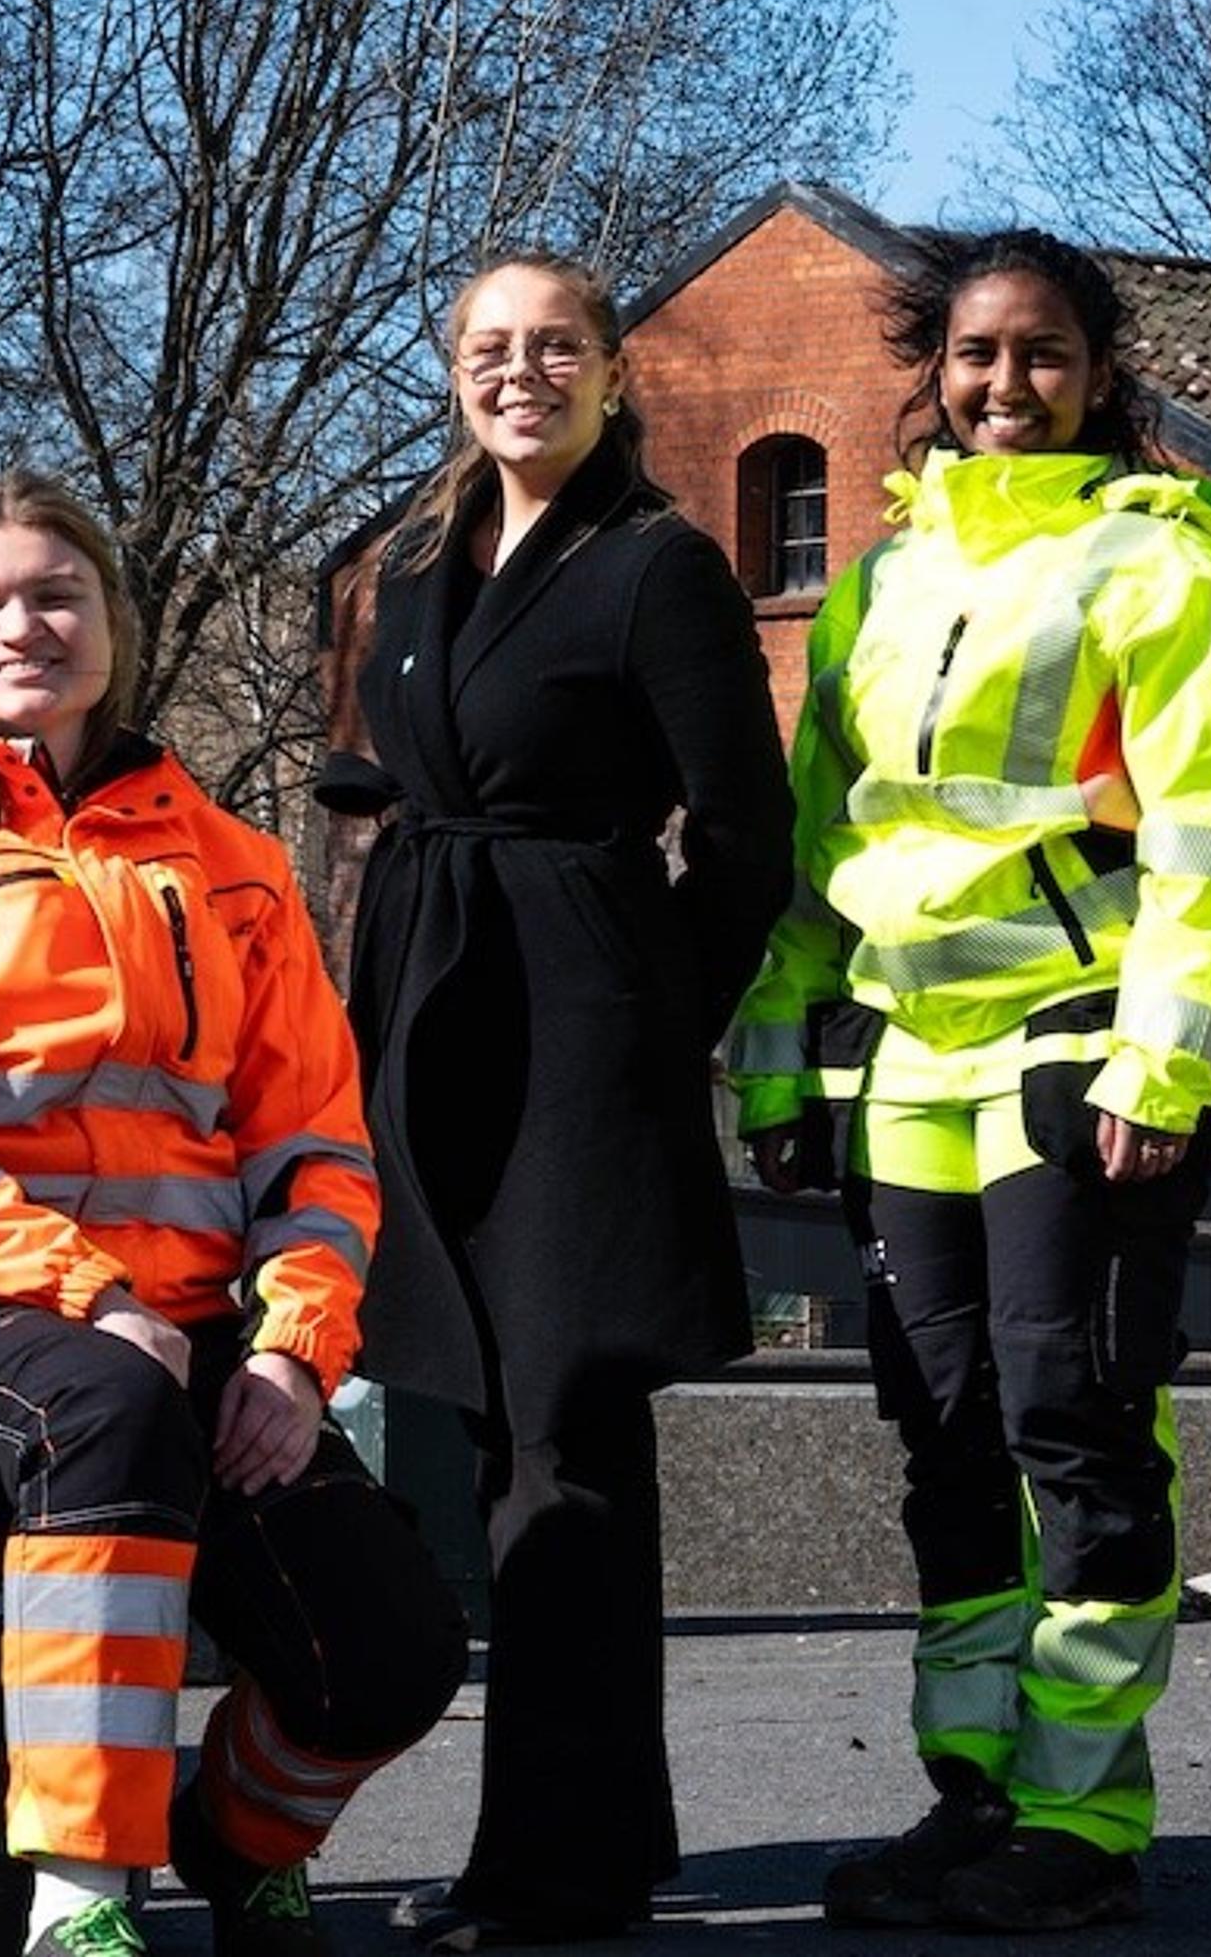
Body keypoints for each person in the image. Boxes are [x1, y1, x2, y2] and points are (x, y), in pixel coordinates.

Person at [0, 476, 464, 1957]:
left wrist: (292, 1353)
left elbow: (315, 1144)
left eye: (58, 596)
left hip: (193, 1336)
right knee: (108, 1408)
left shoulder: (233, 864)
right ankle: (81, 1896)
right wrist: (92, 1296)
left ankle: (235, 1837)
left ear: (114, 629)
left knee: (390, 1653)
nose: (25, 627)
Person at [730, 228, 1211, 1934]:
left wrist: (1170, 1061)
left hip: (1078, 1052)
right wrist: (779, 1056)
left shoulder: (1164, 566)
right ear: (938, 373)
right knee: (947, 1438)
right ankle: (973, 1796)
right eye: (976, 355)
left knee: (1078, 1425)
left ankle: (1086, 1823)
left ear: (1100, 373)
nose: (1004, 384)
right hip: (904, 1058)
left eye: (1042, 354)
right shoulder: (879, 586)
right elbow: (829, 838)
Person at [328, 253, 791, 1945]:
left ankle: (557, 1866)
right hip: (428, 1017)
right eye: (485, 348)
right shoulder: (413, 555)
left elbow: (746, 843)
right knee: (489, 1435)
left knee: (567, 1447)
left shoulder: (659, 566)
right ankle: (597, 1838)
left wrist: (648, 1020)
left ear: (611, 372)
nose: (517, 372)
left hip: (577, 1043)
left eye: (554, 348)